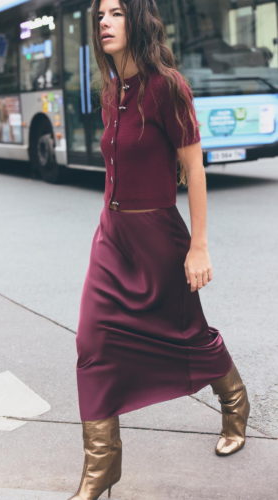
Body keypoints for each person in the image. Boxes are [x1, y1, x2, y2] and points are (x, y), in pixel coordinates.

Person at [68, 1, 250, 499]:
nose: (104, 22)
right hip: (111, 237)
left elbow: (194, 169)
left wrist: (199, 246)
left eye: (117, 12)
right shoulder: (112, 93)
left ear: (139, 21)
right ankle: (100, 468)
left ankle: (234, 403)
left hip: (158, 238)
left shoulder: (166, 86)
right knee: (91, 341)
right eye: (100, 14)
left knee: (188, 332)